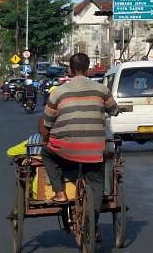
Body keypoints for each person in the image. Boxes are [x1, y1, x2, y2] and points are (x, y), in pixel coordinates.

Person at [39, 53, 119, 214]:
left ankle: (60, 193)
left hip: (65, 148)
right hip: (95, 149)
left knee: (46, 153)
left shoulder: (58, 92)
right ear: (88, 69)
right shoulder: (102, 90)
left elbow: (47, 122)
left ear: (70, 70)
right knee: (96, 181)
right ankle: (93, 228)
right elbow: (114, 111)